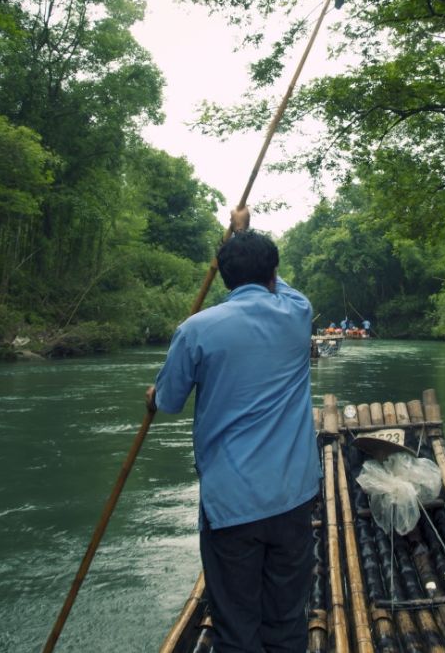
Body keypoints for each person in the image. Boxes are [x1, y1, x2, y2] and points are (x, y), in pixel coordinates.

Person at [145, 206, 320, 653]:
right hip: (293, 495)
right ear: (274, 271)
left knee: (237, 627)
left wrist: (151, 394)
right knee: (285, 618)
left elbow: (166, 401)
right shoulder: (298, 313)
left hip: (232, 504)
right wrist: (245, 232)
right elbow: (277, 282)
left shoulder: (195, 330)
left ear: (222, 276)